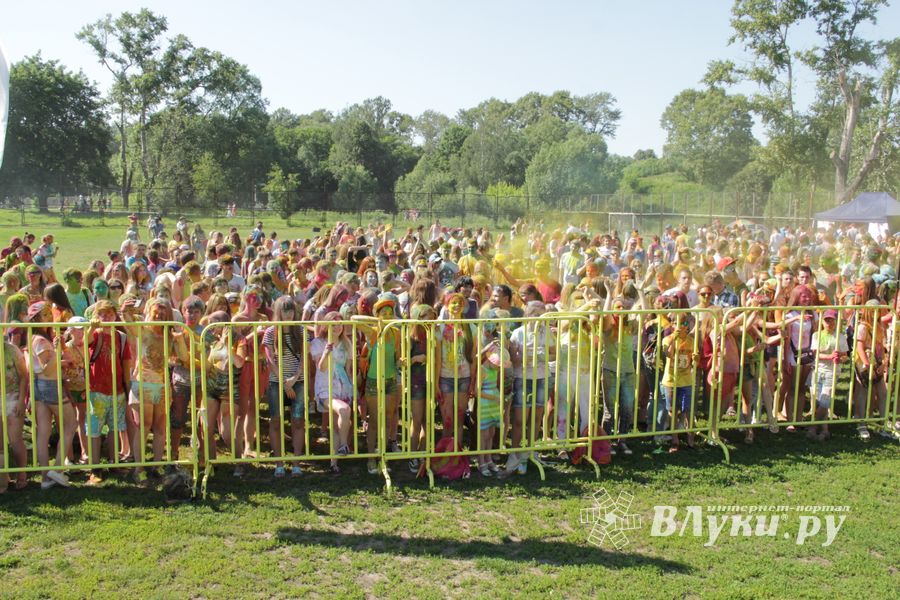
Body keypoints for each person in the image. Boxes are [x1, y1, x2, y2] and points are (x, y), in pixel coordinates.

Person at [26, 301, 76, 490]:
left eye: (49, 313)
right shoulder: (39, 340)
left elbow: (48, 366)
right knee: (71, 424)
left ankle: (45, 478)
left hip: (39, 385)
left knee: (44, 431)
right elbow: (47, 369)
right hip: (49, 384)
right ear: (36, 319)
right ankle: (56, 468)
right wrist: (57, 353)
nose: (49, 317)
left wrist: (61, 354)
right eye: (45, 314)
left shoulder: (35, 338)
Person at [263, 296, 311, 477]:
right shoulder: (270, 332)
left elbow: (304, 358)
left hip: (297, 382)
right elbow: (269, 360)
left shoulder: (301, 330)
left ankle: (296, 463)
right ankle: (279, 464)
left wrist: (294, 378)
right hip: (277, 382)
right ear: (278, 312)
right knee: (275, 421)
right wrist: (284, 381)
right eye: (284, 310)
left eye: (290, 310)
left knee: (298, 421)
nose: (288, 313)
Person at [310, 311, 354, 474]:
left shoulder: (346, 343)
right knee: (344, 410)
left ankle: (333, 462)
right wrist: (326, 352)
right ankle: (344, 445)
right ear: (326, 326)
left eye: (339, 324)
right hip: (325, 387)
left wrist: (353, 388)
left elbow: (348, 370)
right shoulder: (318, 343)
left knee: (338, 424)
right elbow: (320, 368)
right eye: (333, 324)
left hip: (343, 387)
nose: (337, 327)